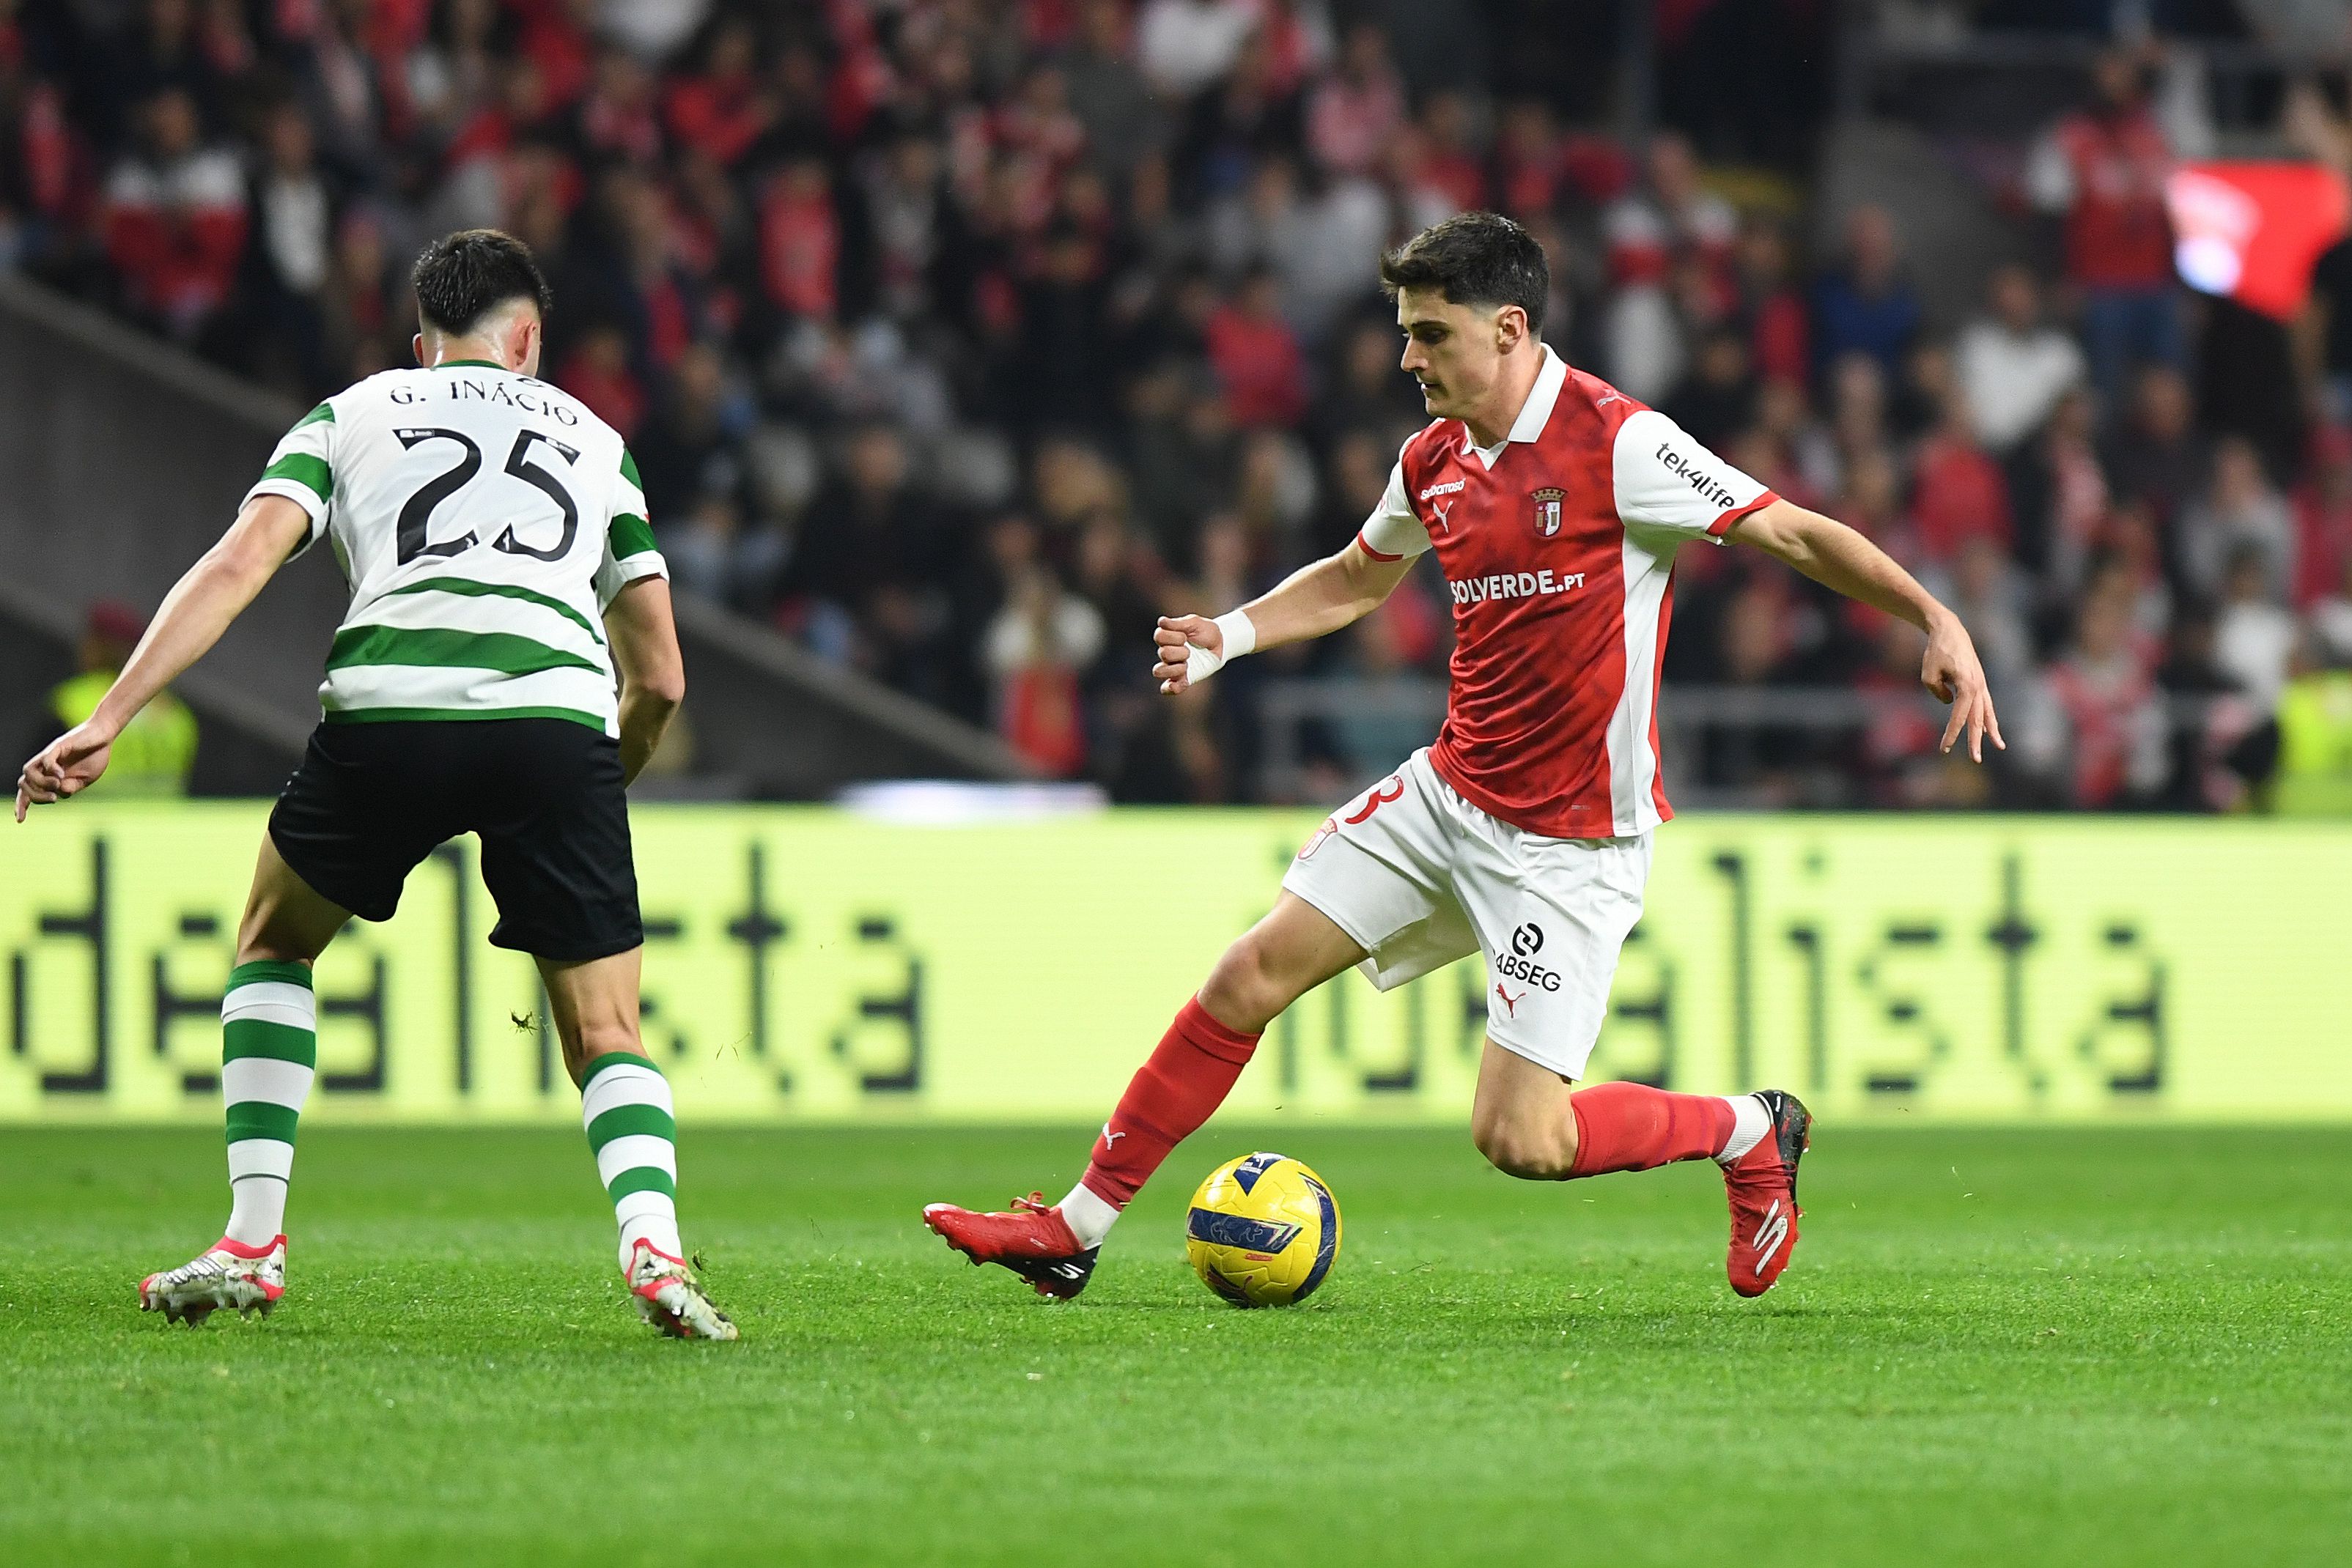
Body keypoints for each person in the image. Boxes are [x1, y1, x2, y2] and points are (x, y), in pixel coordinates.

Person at [921, 213, 2001, 1301]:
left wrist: (1934, 617)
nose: (1407, 357)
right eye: (1405, 332)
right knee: (1247, 974)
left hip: (1571, 843)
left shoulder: (1619, 443)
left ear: (1509, 329)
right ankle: (1073, 1229)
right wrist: (1229, 635)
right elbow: (1358, 576)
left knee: (1521, 1138)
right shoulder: (1430, 459)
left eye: (1430, 333)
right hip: (1450, 794)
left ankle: (1747, 1131)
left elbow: (1792, 532)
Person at [13, 229, 734, 1340]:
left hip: (390, 712)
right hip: (554, 722)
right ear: (527, 341)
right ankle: (655, 1248)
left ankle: (252, 1240)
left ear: (422, 341)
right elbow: (663, 678)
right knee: (606, 1026)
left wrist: (110, 717)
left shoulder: (352, 413)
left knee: (274, 941)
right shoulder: (598, 443)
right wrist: (600, 780)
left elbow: (240, 562)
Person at [41, 602, 199, 799]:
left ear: (101, 646)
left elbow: (40, 772)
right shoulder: (177, 713)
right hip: (161, 817)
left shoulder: (75, 699)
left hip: (94, 815)